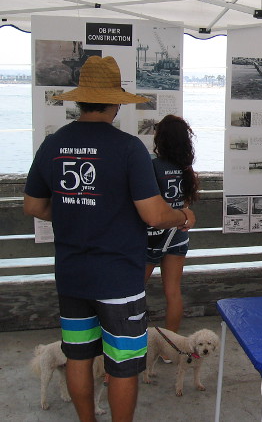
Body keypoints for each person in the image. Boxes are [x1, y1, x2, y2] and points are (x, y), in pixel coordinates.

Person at [23, 56, 196, 422]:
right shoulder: (128, 148)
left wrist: (77, 209)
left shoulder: (54, 144)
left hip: (72, 276)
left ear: (80, 100)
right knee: (122, 364)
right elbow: (152, 213)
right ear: (116, 103)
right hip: (119, 278)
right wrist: (182, 215)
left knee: (79, 356)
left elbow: (35, 205)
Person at [145, 115, 200, 335]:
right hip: (178, 236)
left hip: (152, 236)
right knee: (173, 292)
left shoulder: (151, 166)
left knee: (135, 293)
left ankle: (131, 343)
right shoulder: (186, 170)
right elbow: (184, 204)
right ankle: (171, 346)